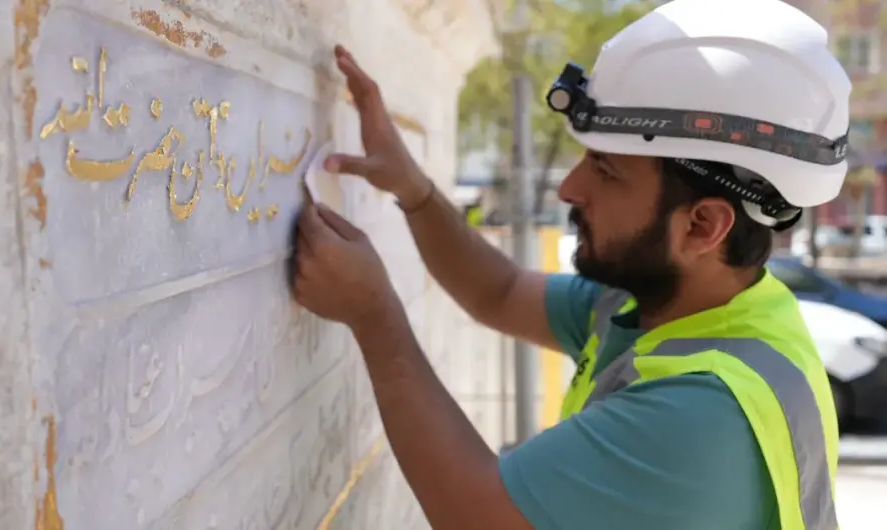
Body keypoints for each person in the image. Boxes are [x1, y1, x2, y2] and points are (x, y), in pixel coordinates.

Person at [290, 0, 849, 528]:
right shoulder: (678, 307)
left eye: (606, 171)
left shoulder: (706, 411)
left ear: (702, 226)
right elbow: (500, 291)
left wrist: (373, 315)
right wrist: (413, 190)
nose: (569, 187)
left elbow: (474, 514)